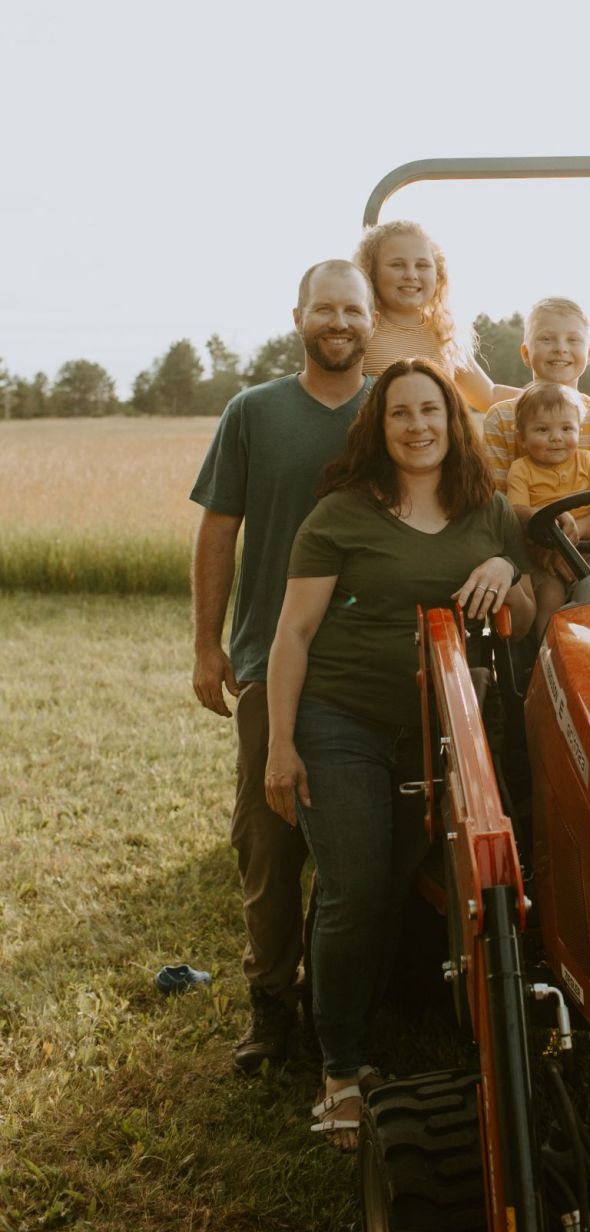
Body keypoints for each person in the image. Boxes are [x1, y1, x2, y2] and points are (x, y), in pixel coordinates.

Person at [264, 358, 535, 1149]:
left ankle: (354, 1013)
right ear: (378, 430)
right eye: (400, 414)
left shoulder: (490, 511)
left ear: (455, 422)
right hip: (339, 718)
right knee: (352, 889)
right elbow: (294, 635)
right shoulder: (341, 514)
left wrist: (503, 562)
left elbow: (525, 607)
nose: (418, 426)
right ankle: (342, 1070)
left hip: (442, 730)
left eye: (432, 411)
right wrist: (281, 745)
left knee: (388, 883)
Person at [190, 259, 377, 1072]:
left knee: (371, 846)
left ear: (373, 319)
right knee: (268, 843)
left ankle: (357, 997)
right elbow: (218, 530)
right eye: (324, 308)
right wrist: (207, 643)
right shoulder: (252, 413)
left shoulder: (400, 411)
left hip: (372, 660)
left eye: (353, 310)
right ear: (299, 315)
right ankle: (271, 1007)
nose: (339, 322)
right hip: (273, 657)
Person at [482, 297, 590, 536]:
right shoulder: (501, 418)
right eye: (546, 339)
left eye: (573, 339)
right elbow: (494, 502)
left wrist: (565, 539)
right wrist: (543, 539)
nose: (560, 348)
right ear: (525, 352)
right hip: (527, 548)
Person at [355, 219, 520, 411]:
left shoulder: (445, 335)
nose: (411, 274)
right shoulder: (361, 331)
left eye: (422, 265)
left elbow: (489, 396)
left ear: (438, 273)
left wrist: (558, 394)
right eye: (397, 265)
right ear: (372, 272)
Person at [505, 382, 590, 630]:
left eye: (567, 428)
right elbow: (516, 514)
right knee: (550, 599)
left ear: (579, 430)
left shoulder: (587, 461)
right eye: (543, 429)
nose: (556, 437)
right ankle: (545, 653)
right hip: (544, 554)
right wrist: (548, 544)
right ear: (521, 437)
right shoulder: (521, 470)